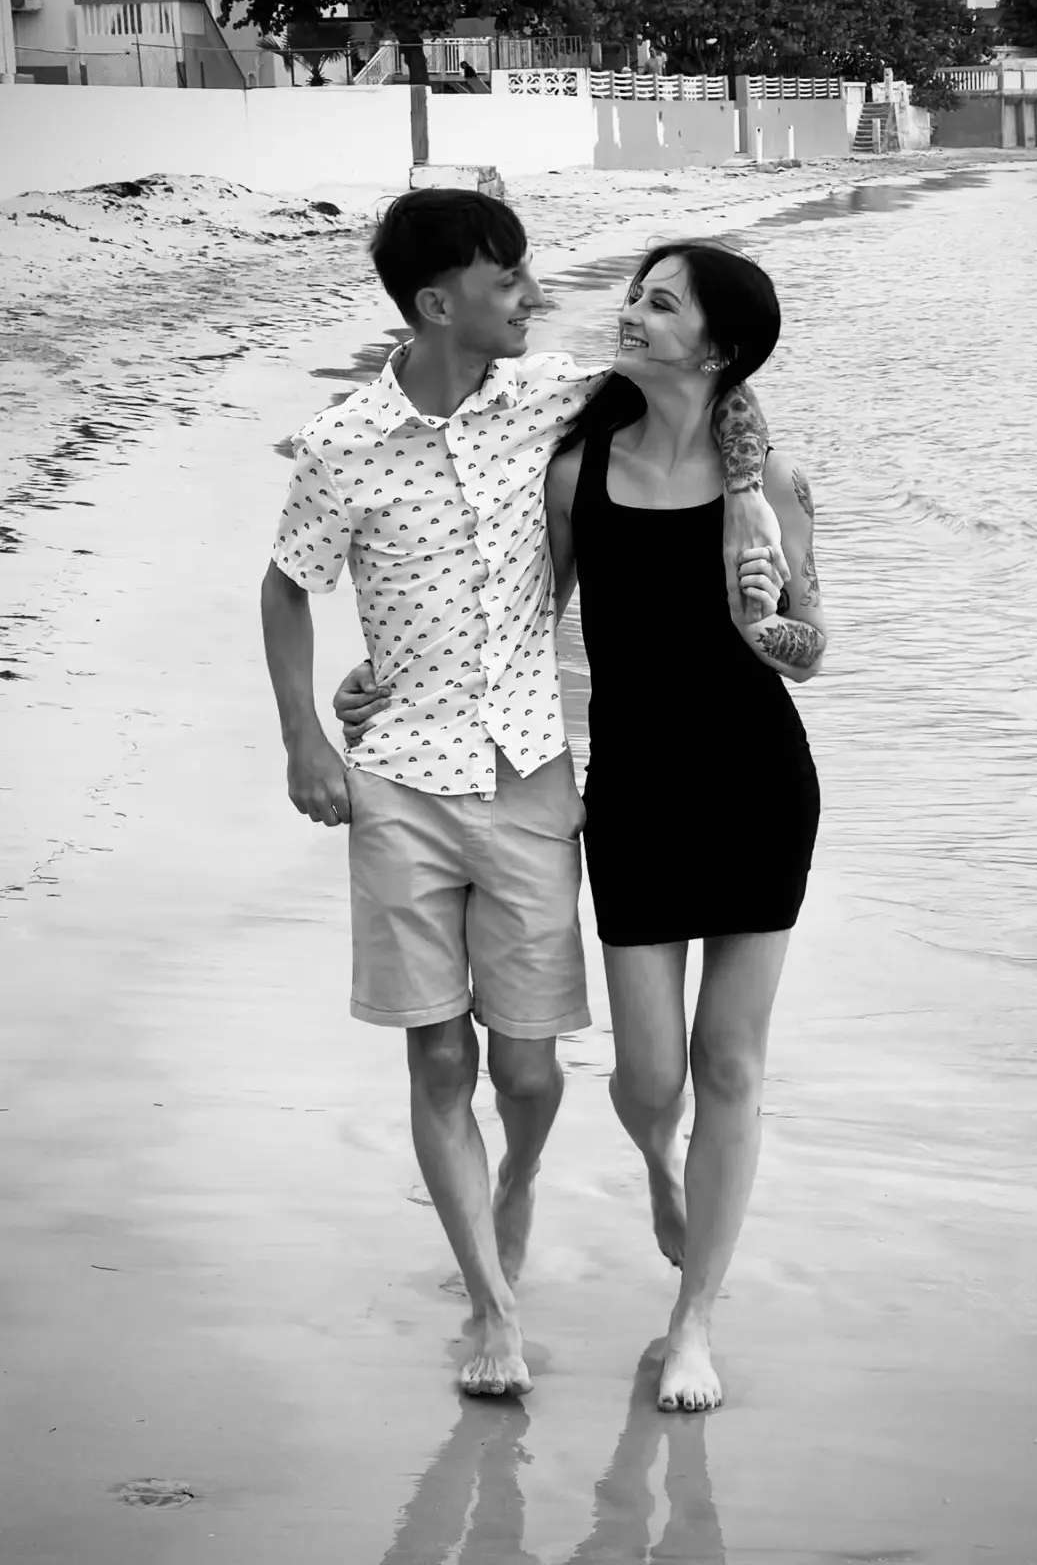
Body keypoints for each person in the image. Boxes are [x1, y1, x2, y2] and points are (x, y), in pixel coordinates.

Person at [260, 190, 782, 1403]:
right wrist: (307, 739)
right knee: (440, 1058)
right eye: (508, 281)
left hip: (530, 773)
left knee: (532, 1074)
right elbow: (286, 584)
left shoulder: (555, 398)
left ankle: (521, 1176)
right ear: (438, 303)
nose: (535, 297)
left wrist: (752, 494)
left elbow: (717, 390)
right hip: (397, 780)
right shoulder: (341, 442)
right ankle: (494, 1312)